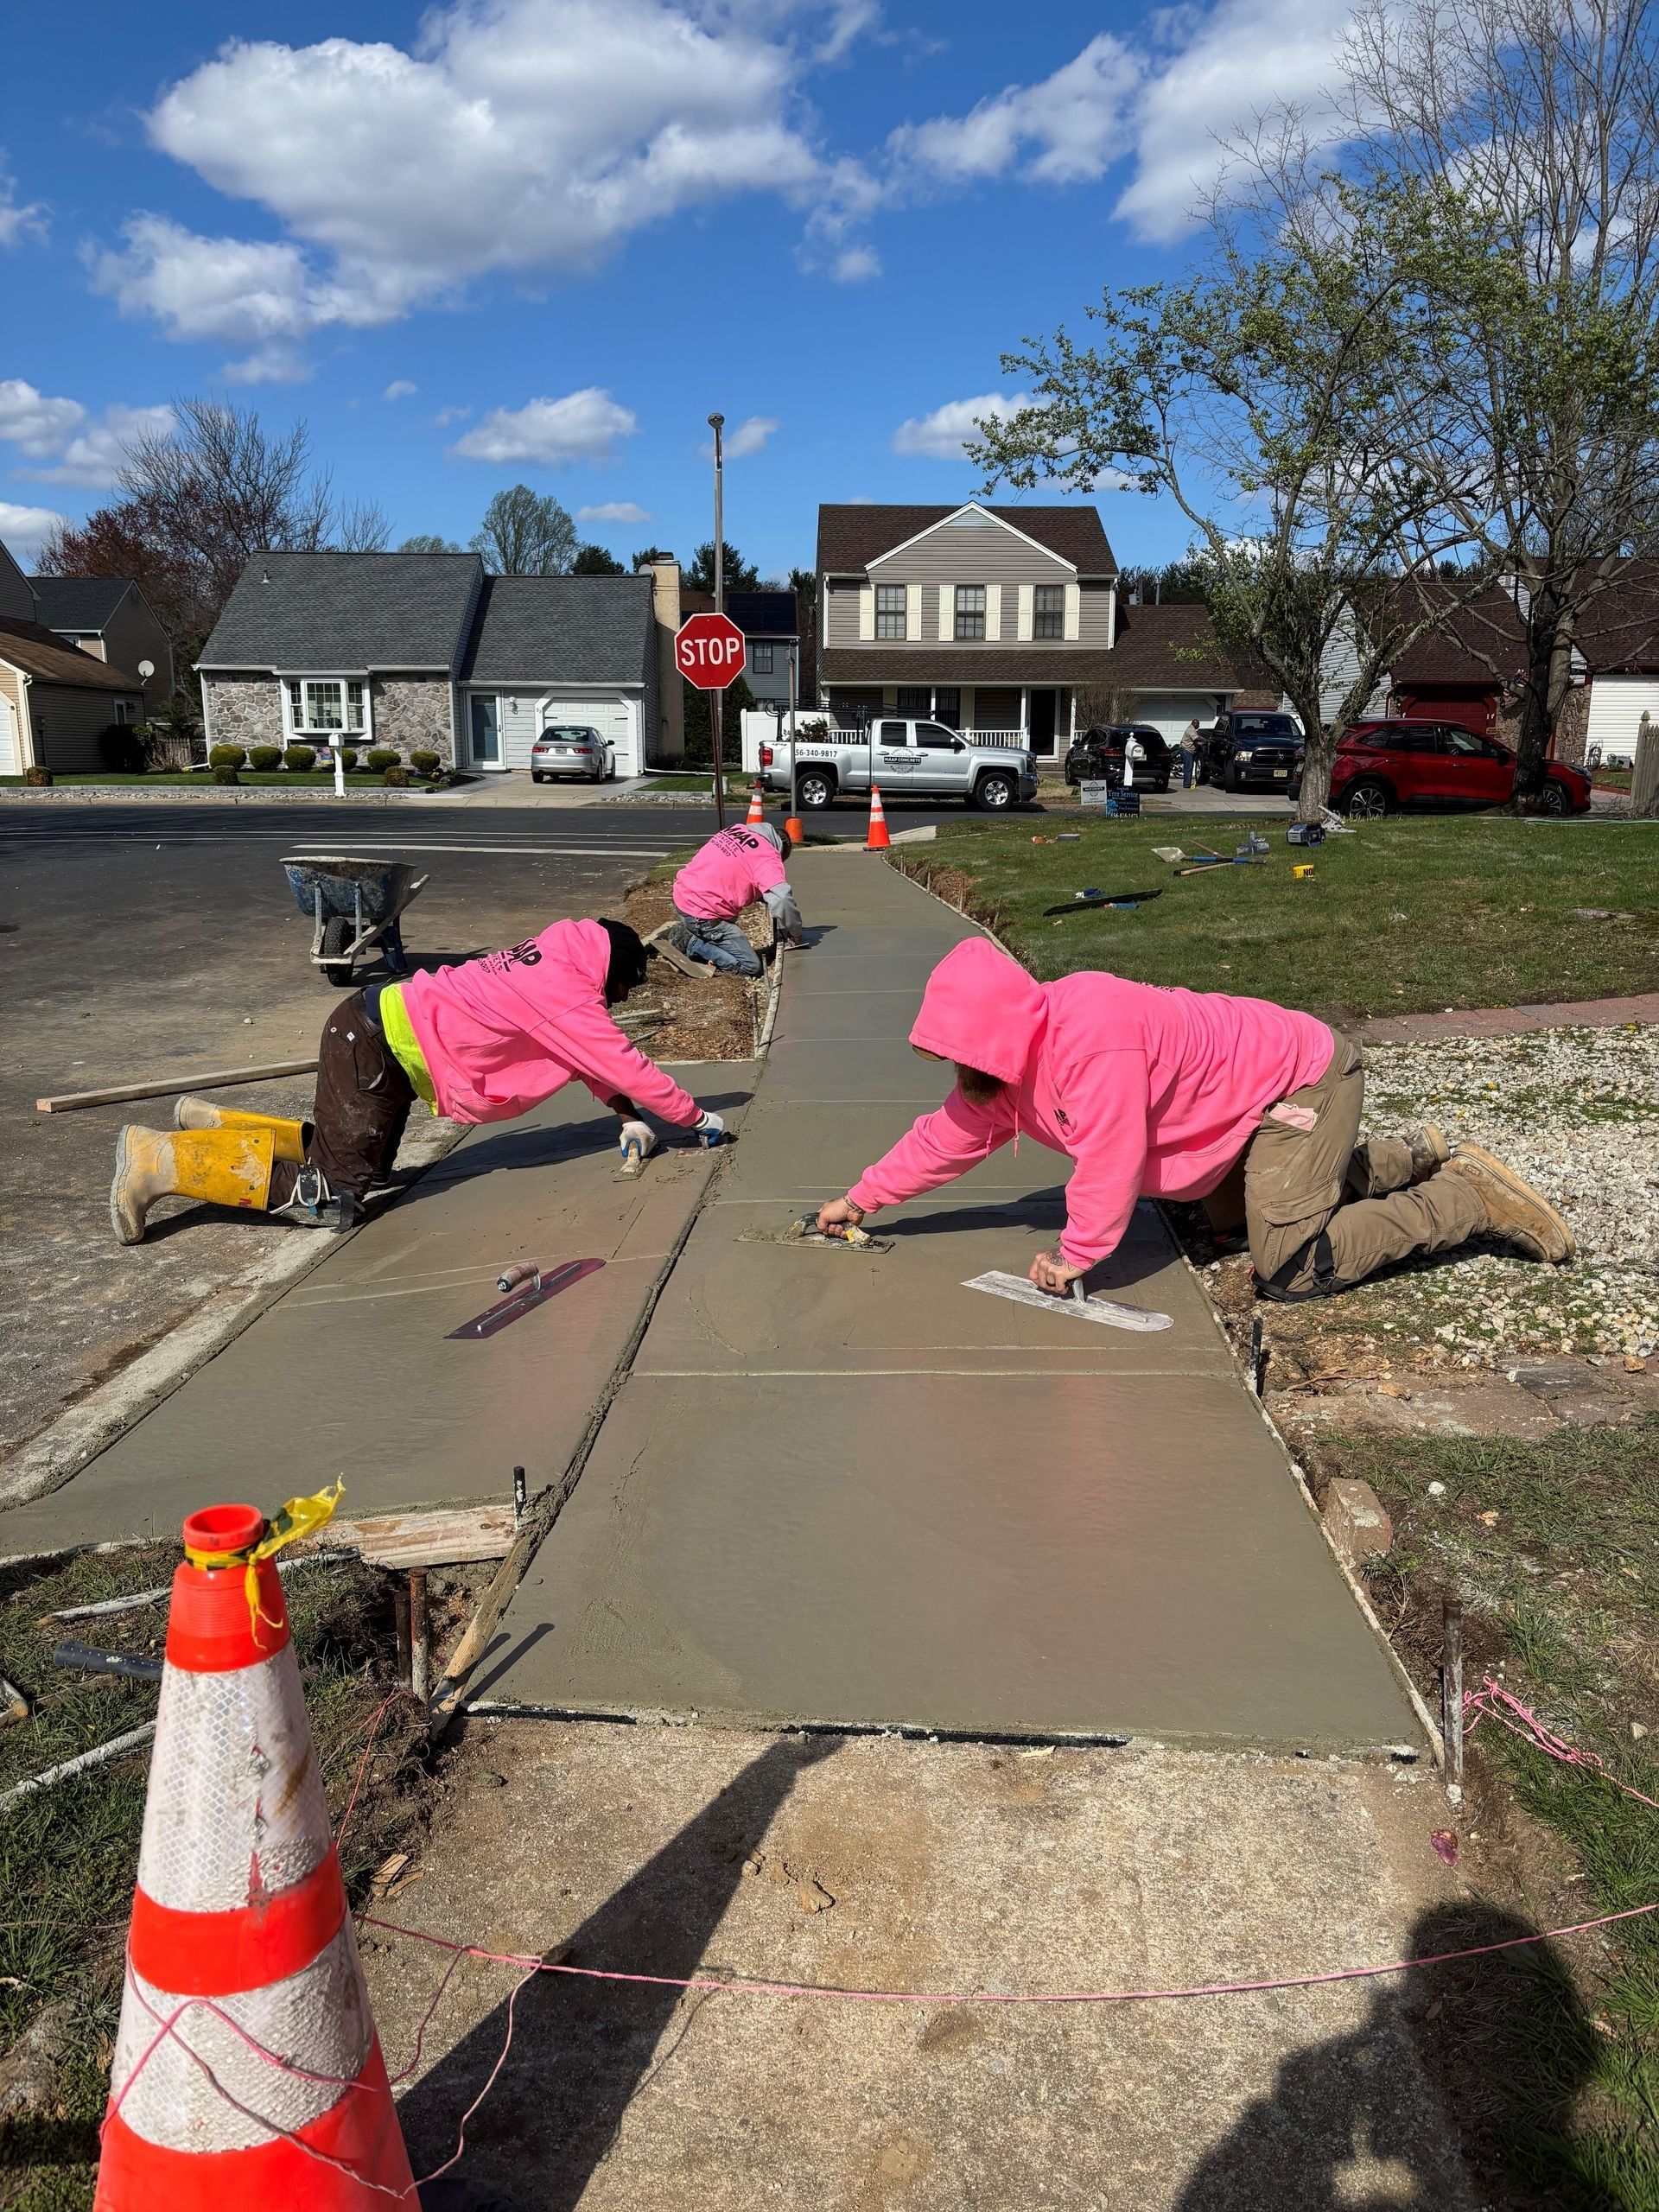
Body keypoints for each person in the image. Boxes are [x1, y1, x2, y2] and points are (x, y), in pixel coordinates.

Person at [815, 939, 1572, 1300]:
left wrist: (1078, 1255)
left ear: (993, 1032)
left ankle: (1467, 1196)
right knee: (1223, 1219)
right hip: (1248, 1108)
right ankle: (1395, 1159)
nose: (958, 1072)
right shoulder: (1004, 1064)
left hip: (1301, 1082)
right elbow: (943, 1139)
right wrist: (861, 1200)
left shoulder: (1090, 1037)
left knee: (1289, 1268)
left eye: (960, 1054)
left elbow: (1109, 1161)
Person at [110, 918, 728, 1243]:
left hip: (378, 1038)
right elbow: (619, 1060)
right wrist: (696, 1121)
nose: (617, 1004)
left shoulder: (558, 961)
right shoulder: (569, 992)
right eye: (622, 992)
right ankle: (163, 1161)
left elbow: (587, 1057)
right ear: (611, 972)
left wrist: (625, 1115)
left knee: (369, 1174)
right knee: (334, 1197)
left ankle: (219, 1129)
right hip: (375, 1047)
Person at [666, 821, 804, 977]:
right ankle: (695, 944)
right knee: (751, 968)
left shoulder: (737, 829)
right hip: (703, 916)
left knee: (731, 912)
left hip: (682, 894)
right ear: (780, 852)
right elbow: (782, 899)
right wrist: (795, 932)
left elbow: (734, 871)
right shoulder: (768, 857)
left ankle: (692, 929)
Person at [1179, 717, 1202, 789]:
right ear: (1194, 724)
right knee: (1189, 767)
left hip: (1189, 750)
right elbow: (1196, 738)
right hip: (1186, 750)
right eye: (1198, 724)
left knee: (1188, 767)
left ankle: (1187, 783)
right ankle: (1187, 784)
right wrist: (1206, 740)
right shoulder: (1191, 729)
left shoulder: (1192, 729)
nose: (1199, 726)